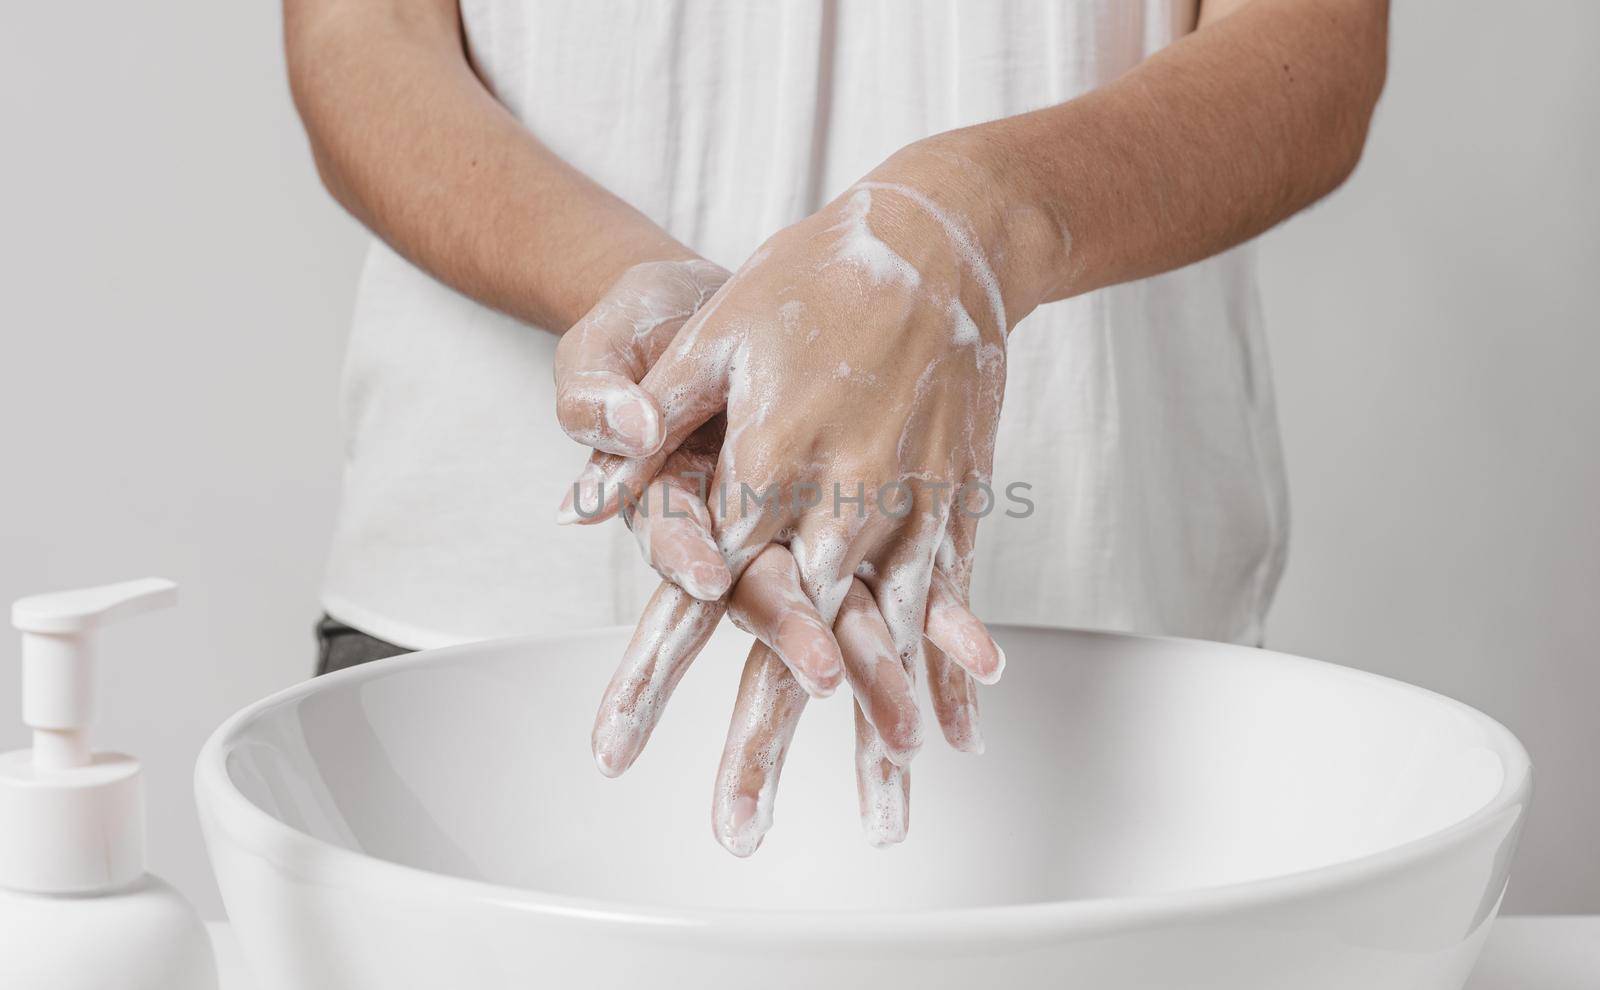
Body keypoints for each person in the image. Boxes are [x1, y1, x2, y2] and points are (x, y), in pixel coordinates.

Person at [285, 0, 1388, 854]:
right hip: (480, 632)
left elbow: (1311, 49)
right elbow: (362, 31)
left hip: (1097, 668)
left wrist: (975, 217)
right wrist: (664, 331)